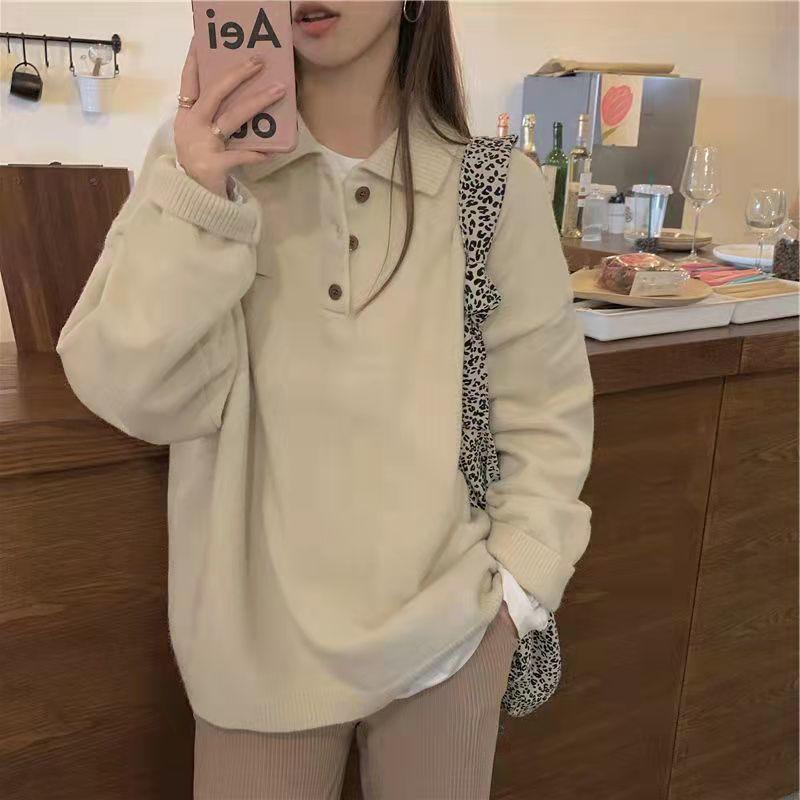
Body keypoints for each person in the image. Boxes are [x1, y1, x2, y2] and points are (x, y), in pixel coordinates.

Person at [56, 1, 594, 797]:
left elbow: (548, 413)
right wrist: (202, 192)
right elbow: (130, 391)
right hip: (253, 659)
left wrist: (517, 595)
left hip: (451, 634)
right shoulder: (202, 165)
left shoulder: (492, 185)